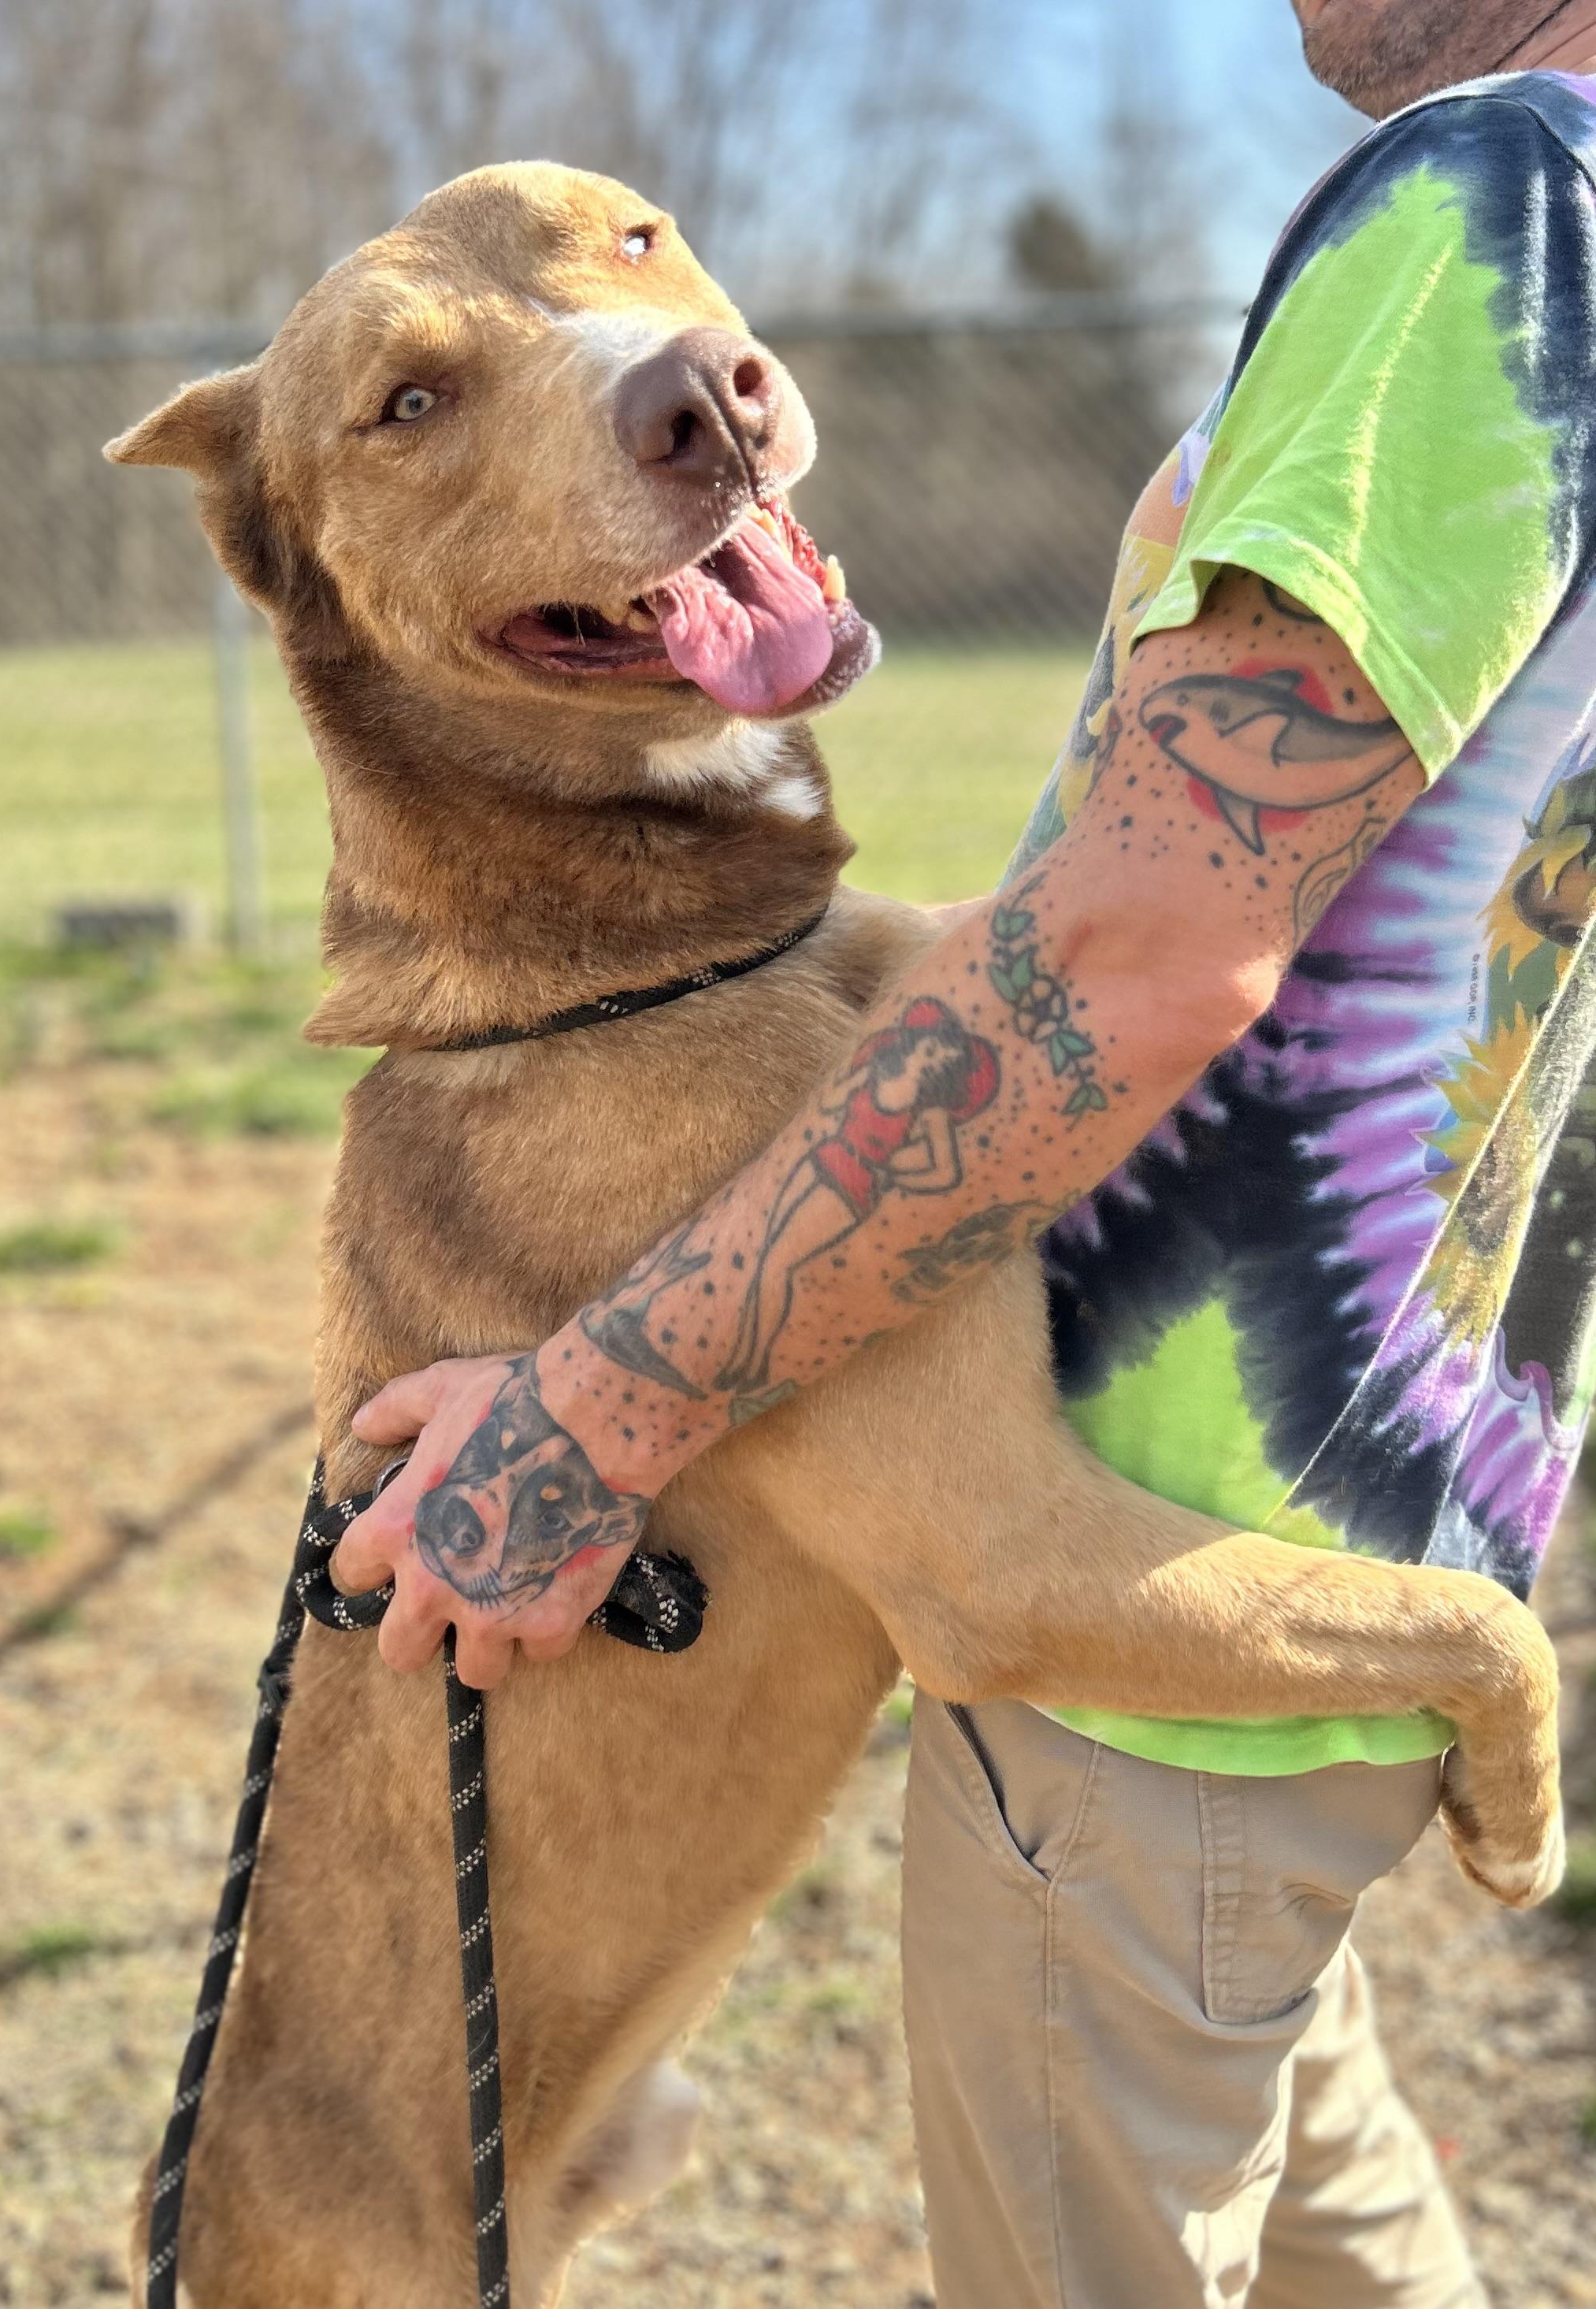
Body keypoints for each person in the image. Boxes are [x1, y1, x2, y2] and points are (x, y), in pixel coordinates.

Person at [335, 6, 1596, 2301]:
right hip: (1392, 1483)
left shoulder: (1490, 207)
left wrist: (590, 1413)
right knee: (1337, 2196)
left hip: (1155, 1569)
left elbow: (1136, 956)